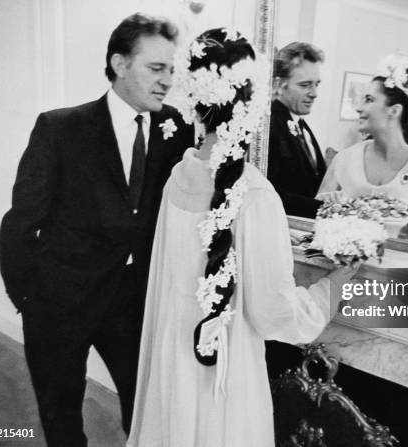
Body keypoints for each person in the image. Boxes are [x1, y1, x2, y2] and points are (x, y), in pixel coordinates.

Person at [127, 29, 357, 447]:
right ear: (251, 106)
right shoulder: (253, 194)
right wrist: (333, 286)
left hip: (174, 357)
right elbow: (275, 315)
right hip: (224, 374)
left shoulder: (179, 176)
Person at [0, 13, 193, 446]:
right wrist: (28, 298)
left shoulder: (176, 127)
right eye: (156, 68)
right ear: (120, 64)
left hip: (133, 301)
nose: (167, 81)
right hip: (59, 300)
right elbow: (20, 221)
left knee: (145, 407)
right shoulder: (61, 127)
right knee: (62, 414)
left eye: (171, 70)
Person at [317, 57, 408, 217]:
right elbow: (315, 218)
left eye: (369, 100)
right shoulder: (343, 161)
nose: (358, 108)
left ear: (394, 111)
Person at [267, 42, 327, 218]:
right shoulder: (269, 126)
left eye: (317, 84)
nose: (314, 93)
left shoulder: (300, 123)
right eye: (305, 85)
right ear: (279, 84)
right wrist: (324, 209)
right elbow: (272, 193)